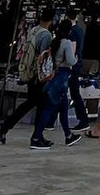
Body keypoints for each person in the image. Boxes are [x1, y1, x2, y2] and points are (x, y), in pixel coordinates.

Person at [0, 8, 53, 145]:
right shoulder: (46, 35)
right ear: (51, 20)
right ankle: (33, 135)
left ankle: (36, 134)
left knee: (33, 103)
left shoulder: (33, 30)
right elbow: (42, 57)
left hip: (28, 72)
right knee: (37, 104)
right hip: (37, 75)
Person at [29, 19, 82, 150]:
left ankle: (68, 135)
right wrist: (76, 59)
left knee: (64, 107)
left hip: (54, 77)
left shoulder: (54, 41)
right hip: (62, 78)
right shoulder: (67, 43)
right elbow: (70, 61)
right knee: (49, 109)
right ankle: (35, 138)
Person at [64, 9, 90, 132]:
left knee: (72, 92)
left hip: (72, 65)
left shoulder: (72, 32)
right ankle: (82, 119)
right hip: (77, 63)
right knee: (73, 92)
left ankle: (83, 119)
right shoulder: (79, 29)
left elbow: (72, 49)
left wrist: (69, 65)